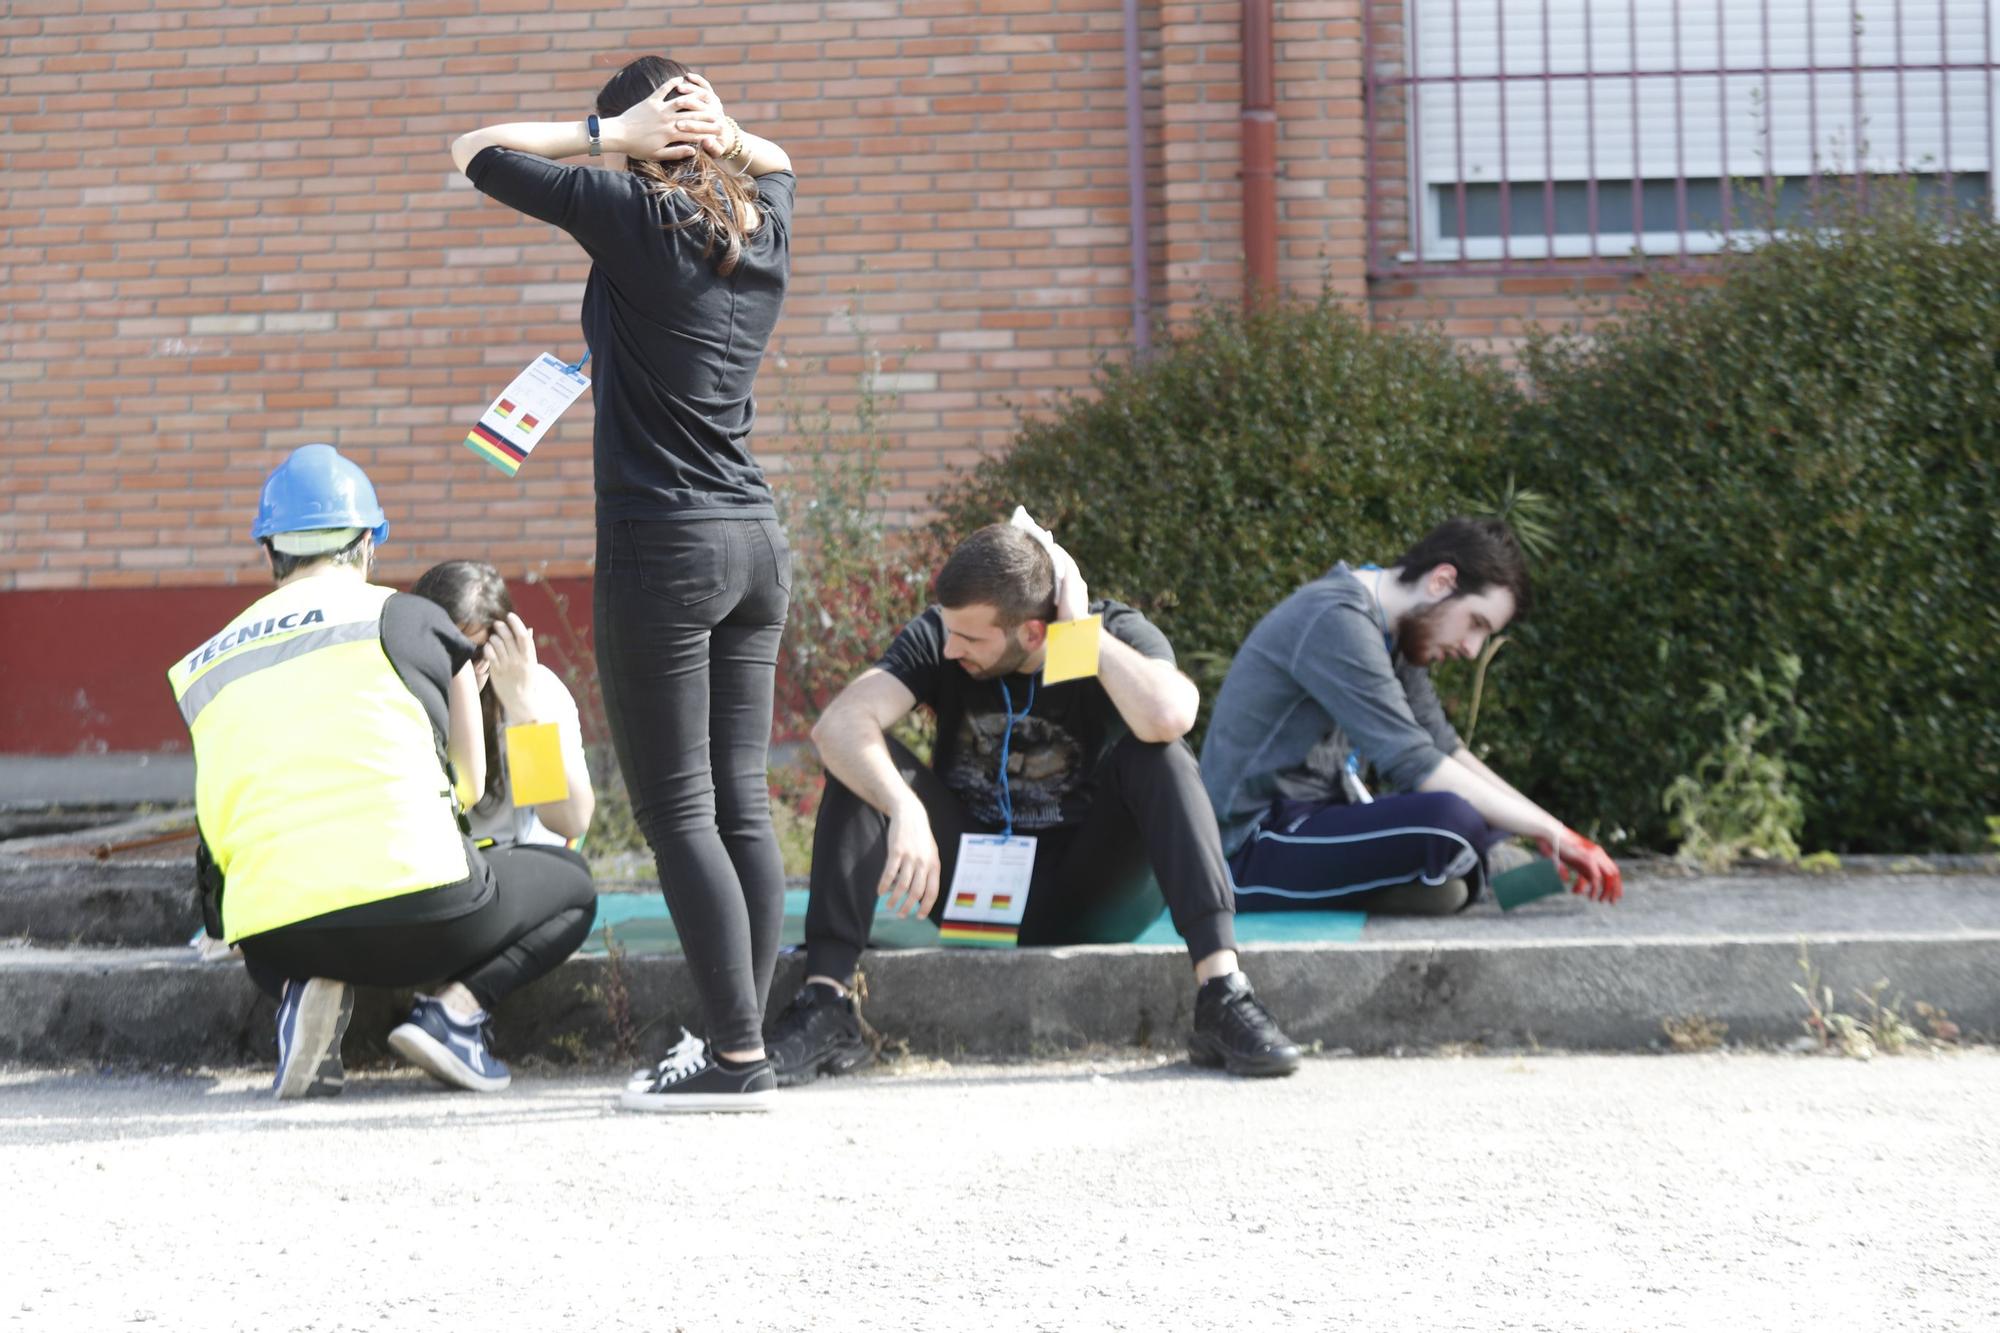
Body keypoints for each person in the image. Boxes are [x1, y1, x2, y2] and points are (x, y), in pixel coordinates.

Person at [453, 57, 797, 1112]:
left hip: (666, 546)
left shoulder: (625, 209)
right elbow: (782, 160)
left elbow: (472, 153)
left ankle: (735, 1056)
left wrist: (608, 136)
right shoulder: (763, 219)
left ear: (641, 127)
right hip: (753, 541)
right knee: (741, 801)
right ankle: (739, 1039)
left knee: (681, 805)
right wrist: (721, 136)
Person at [764, 522, 1303, 1083]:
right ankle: (827, 1005)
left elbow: (1170, 715)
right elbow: (839, 726)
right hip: (971, 885)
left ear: (1032, 632)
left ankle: (1222, 992)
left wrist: (1081, 634)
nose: (951, 649)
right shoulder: (945, 635)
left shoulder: (1094, 635)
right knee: (864, 763)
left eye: (970, 640)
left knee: (1159, 754)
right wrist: (904, 806)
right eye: (949, 633)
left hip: (1088, 889)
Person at [166, 445, 598, 1100]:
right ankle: (453, 1019)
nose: (470, 665)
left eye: (480, 649)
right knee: (574, 886)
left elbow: (570, 820)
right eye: (460, 650)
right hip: (434, 907)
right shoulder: (399, 631)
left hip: (285, 933)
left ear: (270, 551)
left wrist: (523, 709)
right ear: (368, 545)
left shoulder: (531, 696)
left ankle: (302, 993)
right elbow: (470, 787)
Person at [1200, 516, 1623, 914]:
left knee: (1488, 822)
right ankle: (1462, 878)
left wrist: (1551, 829)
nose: (1472, 649)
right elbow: (1414, 764)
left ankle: (1465, 877)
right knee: (1453, 821)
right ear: (1442, 581)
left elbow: (1445, 747)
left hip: (1317, 819)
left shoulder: (1398, 633)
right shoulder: (1335, 618)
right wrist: (1552, 833)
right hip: (1246, 848)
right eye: (1475, 622)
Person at [410, 561, 597, 852]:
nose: (460, 672)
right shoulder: (399, 693)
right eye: (445, 653)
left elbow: (571, 822)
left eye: (473, 654)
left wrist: (523, 712)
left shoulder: (535, 691)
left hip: (511, 861)